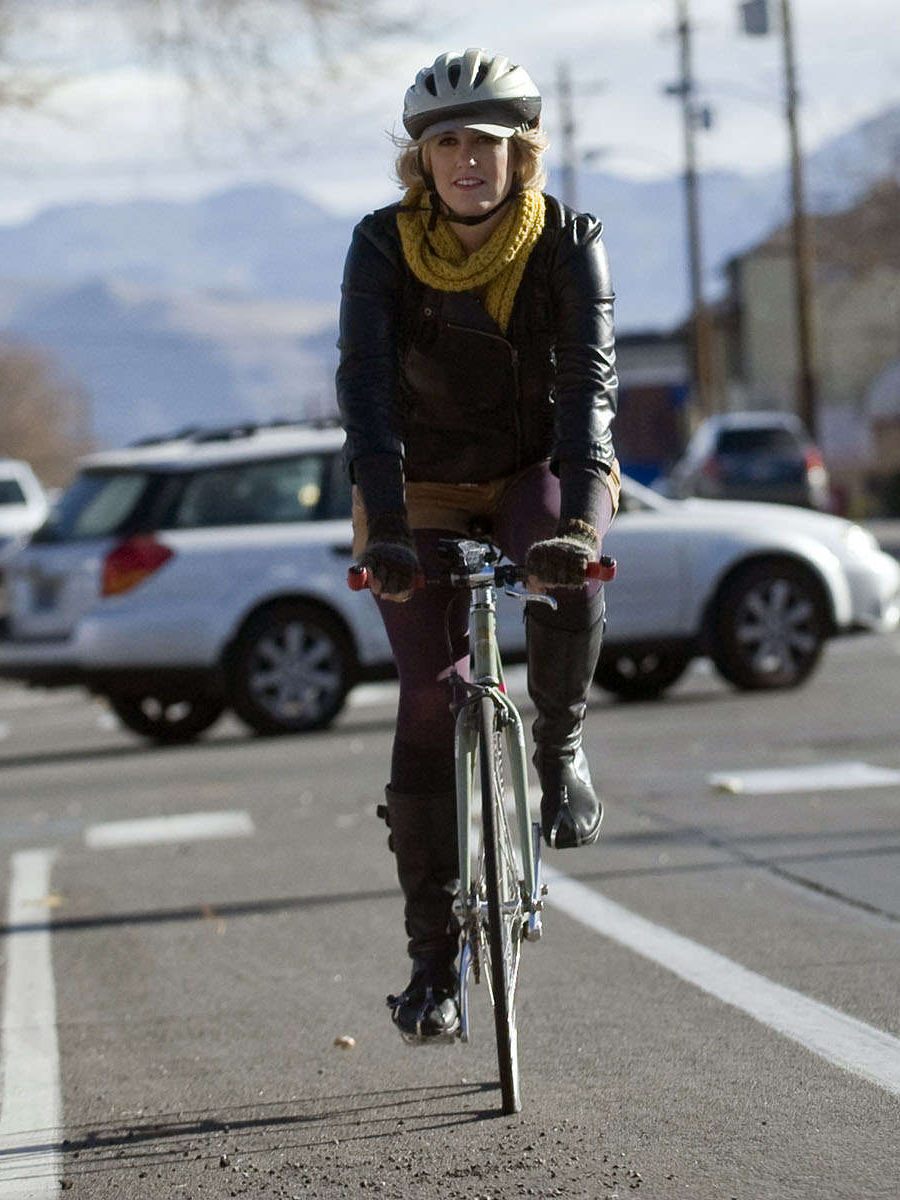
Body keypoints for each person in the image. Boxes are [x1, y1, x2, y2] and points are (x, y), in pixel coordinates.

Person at [334, 48, 620, 1042]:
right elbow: (364, 394)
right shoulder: (378, 247)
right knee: (428, 691)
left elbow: (588, 388)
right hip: (417, 477)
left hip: (532, 465)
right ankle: (432, 966)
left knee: (563, 563)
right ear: (422, 160)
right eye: (446, 142)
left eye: (485, 144)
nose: (466, 161)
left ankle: (560, 744)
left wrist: (581, 521)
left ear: (519, 154)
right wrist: (391, 529)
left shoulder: (569, 240)